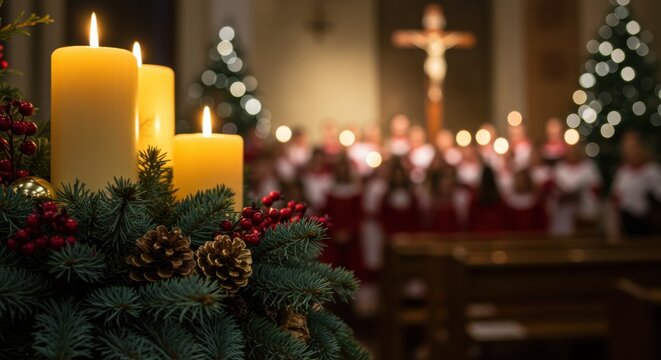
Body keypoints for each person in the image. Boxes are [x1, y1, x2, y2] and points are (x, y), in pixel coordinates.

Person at [321, 155, 366, 279]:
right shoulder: (330, 192)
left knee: (351, 270)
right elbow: (326, 215)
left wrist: (349, 232)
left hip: (351, 238)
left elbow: (358, 215)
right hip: (333, 238)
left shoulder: (356, 192)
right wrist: (335, 231)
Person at [611, 132, 661, 236]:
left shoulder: (652, 171)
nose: (631, 151)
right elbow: (616, 197)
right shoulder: (622, 172)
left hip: (649, 225)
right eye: (627, 147)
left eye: (633, 146)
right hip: (627, 224)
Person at [550, 144, 602, 236]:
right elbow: (554, 188)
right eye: (570, 151)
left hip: (584, 211)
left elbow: (596, 188)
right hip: (564, 210)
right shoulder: (559, 168)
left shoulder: (589, 167)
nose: (572, 154)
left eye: (575, 151)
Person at [378, 157, 422, 235]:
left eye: (401, 175)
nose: (399, 178)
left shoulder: (411, 195)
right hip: (392, 232)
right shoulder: (387, 196)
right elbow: (384, 216)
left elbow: (415, 216)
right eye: (396, 175)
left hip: (409, 232)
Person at [424, 166, 469, 233]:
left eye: (450, 178)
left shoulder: (461, 199)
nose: (447, 182)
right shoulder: (429, 199)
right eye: (444, 178)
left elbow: (464, 223)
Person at [502, 168, 548, 233]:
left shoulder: (535, 201)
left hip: (533, 237)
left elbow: (542, 222)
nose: (520, 183)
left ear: (527, 181)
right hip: (512, 237)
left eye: (523, 180)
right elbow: (504, 223)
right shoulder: (508, 201)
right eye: (518, 180)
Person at [467, 166, 510, 233]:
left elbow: (471, 221)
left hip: (479, 234)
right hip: (497, 233)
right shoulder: (500, 199)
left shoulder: (475, 199)